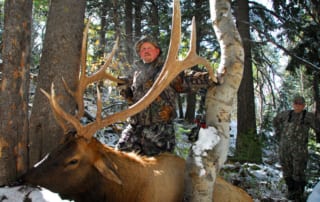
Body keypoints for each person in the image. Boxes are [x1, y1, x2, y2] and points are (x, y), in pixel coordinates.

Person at [115, 36, 215, 156]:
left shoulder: (168, 70)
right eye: (143, 49)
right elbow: (131, 99)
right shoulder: (136, 74)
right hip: (135, 128)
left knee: (156, 169)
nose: (146, 51)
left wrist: (210, 78)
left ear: (157, 51)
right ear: (140, 54)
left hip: (159, 131)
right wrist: (123, 88)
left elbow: (187, 79)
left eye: (149, 48)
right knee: (119, 159)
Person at [273, 95, 320, 201]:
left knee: (298, 172)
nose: (297, 106)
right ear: (293, 104)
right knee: (287, 171)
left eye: (300, 104)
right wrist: (278, 133)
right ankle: (290, 192)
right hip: (284, 149)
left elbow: (317, 127)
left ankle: (299, 195)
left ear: (303, 105)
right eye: (296, 103)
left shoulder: (308, 116)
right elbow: (275, 120)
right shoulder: (286, 114)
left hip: (299, 150)